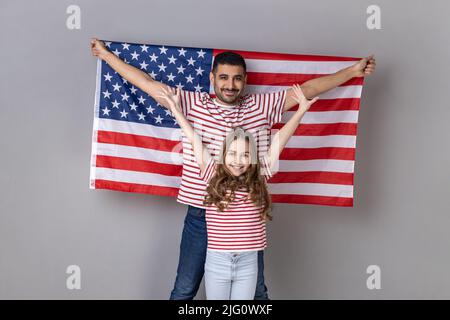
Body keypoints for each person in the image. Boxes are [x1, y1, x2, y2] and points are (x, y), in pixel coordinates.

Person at [90, 38, 376, 299]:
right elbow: (146, 83)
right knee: (185, 288)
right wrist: (106, 56)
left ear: (245, 80)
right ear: (212, 78)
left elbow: (309, 90)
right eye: (223, 77)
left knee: (257, 292)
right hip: (201, 213)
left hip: (245, 217)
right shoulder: (192, 103)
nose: (230, 85)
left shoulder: (261, 106)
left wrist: (352, 72)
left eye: (237, 79)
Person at [156, 84, 318, 299]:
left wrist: (301, 111)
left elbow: (280, 141)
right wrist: (176, 109)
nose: (238, 160)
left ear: (252, 158)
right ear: (223, 155)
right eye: (232, 153)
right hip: (218, 262)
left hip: (247, 263)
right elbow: (193, 138)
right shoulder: (212, 175)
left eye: (245, 155)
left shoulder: (259, 177)